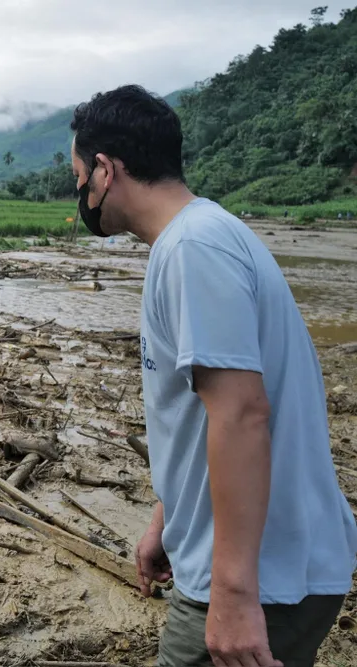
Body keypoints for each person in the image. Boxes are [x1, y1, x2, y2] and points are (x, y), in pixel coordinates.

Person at [69, 85, 357, 667]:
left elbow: (242, 414)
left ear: (104, 170)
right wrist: (168, 521)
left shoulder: (193, 249)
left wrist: (232, 594)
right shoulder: (202, 236)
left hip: (264, 579)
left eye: (79, 178)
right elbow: (202, 413)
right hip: (262, 565)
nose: (80, 194)